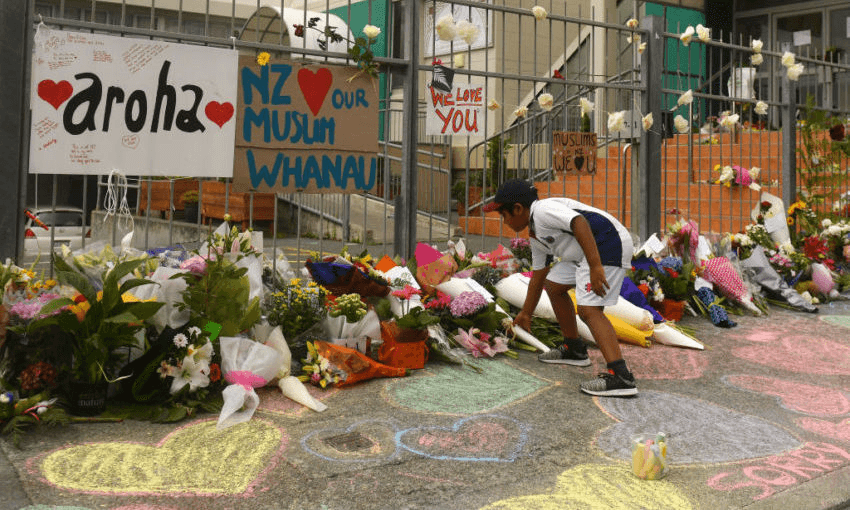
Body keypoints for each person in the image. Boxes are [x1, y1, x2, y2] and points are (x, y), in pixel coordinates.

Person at [483, 179, 637, 397]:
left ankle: (621, 376)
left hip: (608, 244)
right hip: (586, 253)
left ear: (518, 209)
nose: (504, 221)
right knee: (553, 285)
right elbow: (538, 276)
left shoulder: (543, 211)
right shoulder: (536, 234)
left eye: (504, 215)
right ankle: (574, 349)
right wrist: (526, 314)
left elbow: (579, 222)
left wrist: (594, 266)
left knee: (589, 310)